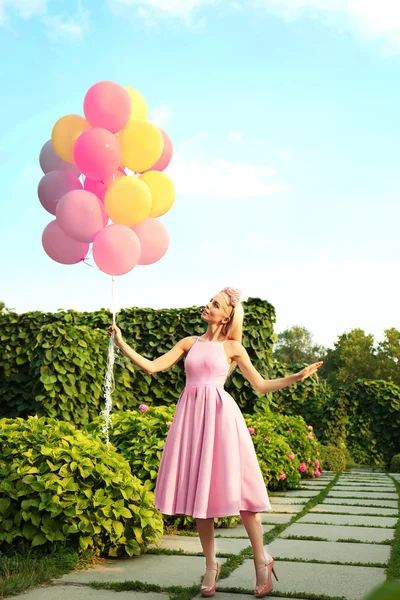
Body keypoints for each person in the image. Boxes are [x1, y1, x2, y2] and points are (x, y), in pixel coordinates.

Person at [108, 287, 323, 598]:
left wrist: (295, 377)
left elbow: (261, 385)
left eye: (215, 304)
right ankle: (211, 565)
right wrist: (122, 342)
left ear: (226, 316)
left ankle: (261, 560)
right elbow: (153, 366)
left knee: (244, 493)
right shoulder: (188, 343)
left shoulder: (233, 348)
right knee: (200, 494)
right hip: (192, 420)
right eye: (210, 301)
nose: (207, 306)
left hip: (222, 420)